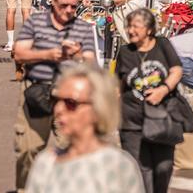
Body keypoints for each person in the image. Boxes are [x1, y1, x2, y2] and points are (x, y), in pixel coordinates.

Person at [13, 0, 96, 189]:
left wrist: (77, 55)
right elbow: (19, 53)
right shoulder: (36, 22)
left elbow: (91, 64)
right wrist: (48, 54)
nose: (69, 10)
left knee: (72, 150)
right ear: (53, 2)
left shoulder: (83, 28)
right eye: (64, 6)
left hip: (69, 99)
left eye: (73, 6)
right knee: (28, 149)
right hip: (37, 91)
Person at [25, 64, 144, 193]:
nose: (58, 109)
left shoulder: (118, 166)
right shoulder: (45, 163)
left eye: (70, 103)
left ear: (98, 107)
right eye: (56, 100)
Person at [116, 8, 183, 193]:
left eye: (136, 26)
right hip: (132, 122)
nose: (130, 30)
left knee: (164, 168)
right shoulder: (125, 51)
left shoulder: (163, 44)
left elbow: (177, 70)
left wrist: (163, 89)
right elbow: (118, 85)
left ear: (149, 29)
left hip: (161, 118)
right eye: (128, 26)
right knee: (140, 172)